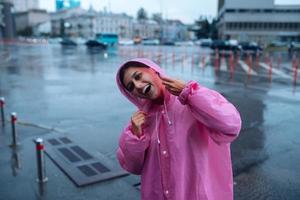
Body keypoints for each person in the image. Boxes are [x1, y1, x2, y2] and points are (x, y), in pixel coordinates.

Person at [116, 58, 241, 200]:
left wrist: (190, 95)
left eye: (138, 76)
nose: (137, 85)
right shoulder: (140, 122)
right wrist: (136, 136)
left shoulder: (193, 100)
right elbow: (133, 167)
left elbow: (231, 125)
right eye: (131, 87)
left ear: (153, 71)